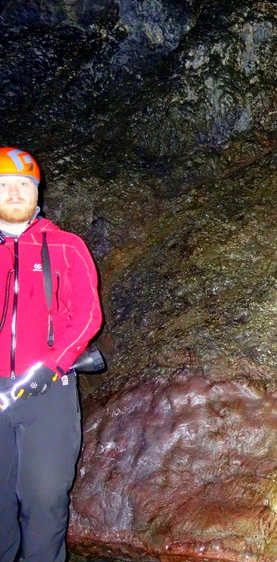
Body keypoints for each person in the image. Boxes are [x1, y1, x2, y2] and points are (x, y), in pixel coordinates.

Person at [0, 147, 102, 562]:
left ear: (37, 193)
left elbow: (88, 314)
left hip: (48, 392)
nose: (15, 192)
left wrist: (53, 364)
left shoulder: (65, 245)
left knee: (44, 498)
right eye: (4, 185)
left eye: (24, 184)